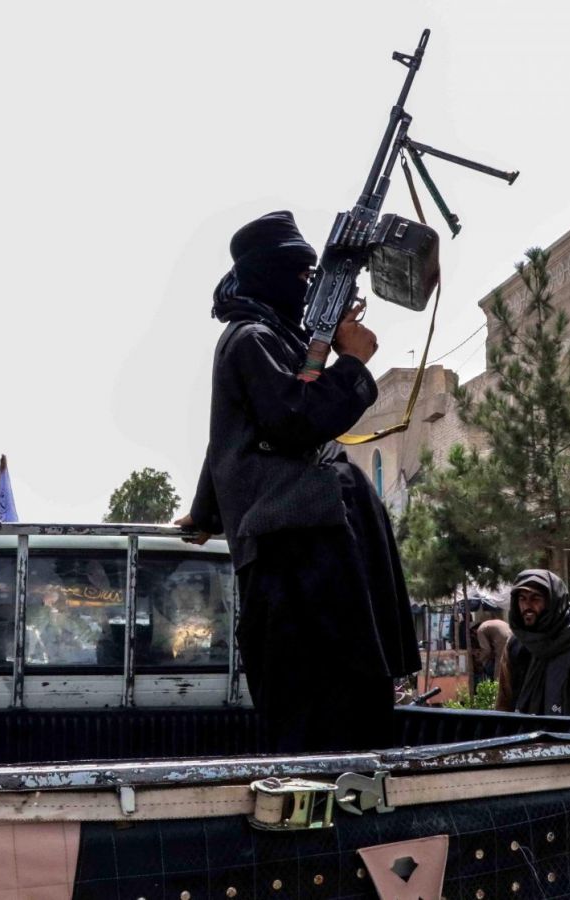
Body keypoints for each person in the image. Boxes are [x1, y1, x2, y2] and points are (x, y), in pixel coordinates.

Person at [177, 210, 420, 752]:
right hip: (302, 557)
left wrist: (205, 510)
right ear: (269, 274)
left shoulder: (275, 339)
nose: (307, 285)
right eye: (301, 274)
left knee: (351, 702)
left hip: (318, 549)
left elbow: (229, 435)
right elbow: (292, 421)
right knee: (318, 711)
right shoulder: (252, 338)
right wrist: (353, 363)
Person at [496, 570, 570, 718]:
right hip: (526, 733)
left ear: (552, 602)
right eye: (522, 599)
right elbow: (504, 701)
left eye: (535, 599)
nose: (527, 606)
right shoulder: (516, 644)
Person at [473, 611, 512, 680]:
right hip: (512, 637)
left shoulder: (480, 630)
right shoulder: (492, 623)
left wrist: (479, 660)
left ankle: (498, 687)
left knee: (499, 668)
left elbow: (487, 650)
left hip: (502, 640)